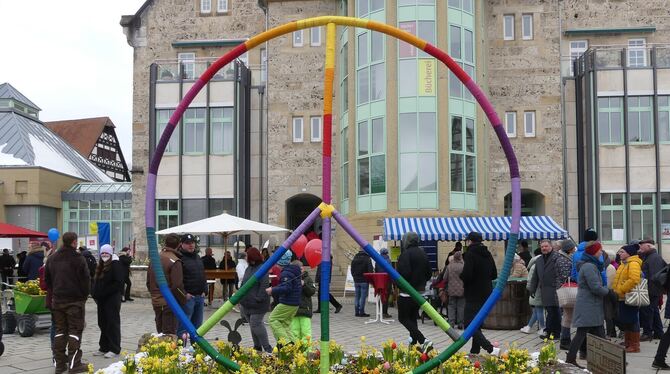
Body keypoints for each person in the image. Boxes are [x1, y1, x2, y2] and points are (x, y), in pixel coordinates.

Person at [44, 232, 91, 373]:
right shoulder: (78, 259)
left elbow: (48, 280)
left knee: (60, 331)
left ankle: (59, 364)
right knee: (74, 332)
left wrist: (56, 293)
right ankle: (74, 364)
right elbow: (86, 280)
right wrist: (83, 296)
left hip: (58, 301)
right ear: (74, 242)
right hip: (74, 301)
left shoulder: (52, 258)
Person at [565, 242, 615, 367]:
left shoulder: (591, 265)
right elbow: (595, 287)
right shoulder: (589, 267)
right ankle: (570, 359)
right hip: (588, 305)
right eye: (599, 250)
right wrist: (608, 291)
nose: (601, 253)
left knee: (600, 333)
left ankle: (610, 359)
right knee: (581, 333)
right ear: (593, 252)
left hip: (591, 305)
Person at [461, 231, 499, 355]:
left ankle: (490, 348)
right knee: (476, 324)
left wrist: (461, 276)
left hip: (473, 293)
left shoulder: (470, 254)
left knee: (469, 325)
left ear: (470, 241)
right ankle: (474, 350)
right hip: (486, 294)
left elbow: (467, 275)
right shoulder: (488, 254)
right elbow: (494, 274)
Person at [397, 231, 433, 352]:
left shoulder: (405, 254)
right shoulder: (423, 253)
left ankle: (423, 340)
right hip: (420, 292)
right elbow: (429, 273)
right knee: (412, 318)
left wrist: (398, 283)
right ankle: (413, 347)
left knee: (403, 318)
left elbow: (403, 274)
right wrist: (420, 282)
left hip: (407, 292)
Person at [147, 233, 186, 335]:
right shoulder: (174, 261)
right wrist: (184, 299)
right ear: (179, 245)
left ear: (165, 243)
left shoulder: (155, 259)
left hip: (156, 301)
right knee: (169, 334)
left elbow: (148, 282)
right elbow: (177, 286)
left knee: (160, 332)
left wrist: (155, 295)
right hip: (169, 302)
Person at [91, 244, 124, 359]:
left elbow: (118, 283)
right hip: (101, 299)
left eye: (106, 253)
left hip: (112, 299)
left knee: (112, 323)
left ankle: (114, 348)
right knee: (102, 323)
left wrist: (104, 292)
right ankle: (104, 346)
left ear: (110, 254)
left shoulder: (115, 265)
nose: (104, 255)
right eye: (103, 253)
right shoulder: (101, 265)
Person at [239, 247, 272, 352]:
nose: (246, 257)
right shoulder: (249, 268)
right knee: (253, 325)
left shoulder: (262, 268)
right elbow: (244, 284)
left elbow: (264, 285)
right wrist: (240, 297)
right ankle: (257, 346)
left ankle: (267, 348)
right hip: (247, 303)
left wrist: (258, 298)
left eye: (247, 255)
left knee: (256, 323)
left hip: (258, 303)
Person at [266, 250, 302, 346]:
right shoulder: (293, 270)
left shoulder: (286, 273)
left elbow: (287, 288)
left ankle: (286, 343)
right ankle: (295, 344)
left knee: (273, 319)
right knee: (284, 324)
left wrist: (272, 290)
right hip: (294, 303)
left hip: (287, 302)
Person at [613, 243, 642, 353]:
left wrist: (621, 289)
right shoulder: (624, 263)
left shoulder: (633, 263)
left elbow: (634, 280)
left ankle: (635, 346)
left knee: (632, 320)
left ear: (628, 253)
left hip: (629, 296)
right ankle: (628, 342)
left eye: (622, 252)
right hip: (623, 297)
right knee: (626, 320)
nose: (619, 254)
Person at [529, 239, 562, 340]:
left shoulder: (557, 257)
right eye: (542, 247)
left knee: (554, 312)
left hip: (555, 289)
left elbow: (560, 273)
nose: (544, 248)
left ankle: (552, 332)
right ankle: (551, 332)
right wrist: (532, 289)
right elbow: (535, 277)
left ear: (551, 246)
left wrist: (558, 286)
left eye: (546, 246)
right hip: (545, 290)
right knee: (551, 311)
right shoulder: (538, 260)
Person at [177, 234, 207, 338]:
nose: (191, 245)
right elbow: (177, 280)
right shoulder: (179, 258)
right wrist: (184, 294)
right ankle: (182, 351)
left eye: (192, 243)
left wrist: (205, 290)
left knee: (198, 328)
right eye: (188, 243)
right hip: (188, 299)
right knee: (183, 328)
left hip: (200, 297)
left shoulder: (197, 257)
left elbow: (203, 274)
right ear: (182, 244)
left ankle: (196, 350)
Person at [639, 238, 666, 341]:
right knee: (653, 311)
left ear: (649, 246)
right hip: (652, 289)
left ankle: (647, 333)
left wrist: (649, 291)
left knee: (648, 311)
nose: (640, 247)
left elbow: (654, 277)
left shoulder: (653, 258)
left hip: (651, 290)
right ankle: (659, 332)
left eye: (642, 245)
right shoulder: (650, 257)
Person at [557, 239, 576, 350]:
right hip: (566, 290)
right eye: (573, 247)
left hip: (564, 289)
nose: (574, 249)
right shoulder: (563, 259)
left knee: (567, 316)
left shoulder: (564, 257)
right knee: (567, 316)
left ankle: (565, 339)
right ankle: (565, 340)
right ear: (569, 249)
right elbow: (566, 276)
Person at [291, 263, 316, 344]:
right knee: (294, 333)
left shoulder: (308, 279)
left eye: (301, 269)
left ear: (303, 269)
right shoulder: (291, 279)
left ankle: (306, 351)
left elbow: (311, 292)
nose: (299, 271)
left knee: (306, 333)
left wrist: (304, 285)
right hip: (294, 310)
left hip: (305, 310)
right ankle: (297, 350)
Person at [521, 252, 545, 335]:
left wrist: (530, 289)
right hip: (539, 290)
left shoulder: (534, 266)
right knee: (536, 310)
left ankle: (543, 328)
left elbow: (530, 280)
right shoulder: (540, 265)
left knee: (539, 309)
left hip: (536, 290)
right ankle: (529, 327)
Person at [350, 248, 373, 317]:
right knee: (363, 297)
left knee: (357, 296)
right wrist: (370, 279)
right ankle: (361, 312)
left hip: (356, 280)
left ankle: (356, 311)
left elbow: (352, 270)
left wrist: (354, 277)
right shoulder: (367, 259)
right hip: (364, 280)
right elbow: (370, 270)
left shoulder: (354, 258)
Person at [446, 250, 465, 328]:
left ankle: (451, 323)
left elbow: (445, 277)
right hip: (462, 289)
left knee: (451, 306)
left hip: (451, 289)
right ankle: (460, 323)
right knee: (461, 306)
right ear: (461, 257)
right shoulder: (463, 266)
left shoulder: (449, 266)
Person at [375, 248, 393, 319]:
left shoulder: (377, 260)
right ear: (387, 253)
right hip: (387, 280)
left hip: (379, 280)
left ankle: (380, 311)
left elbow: (376, 271)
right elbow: (390, 271)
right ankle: (384, 312)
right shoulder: (388, 260)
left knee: (381, 295)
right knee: (386, 296)